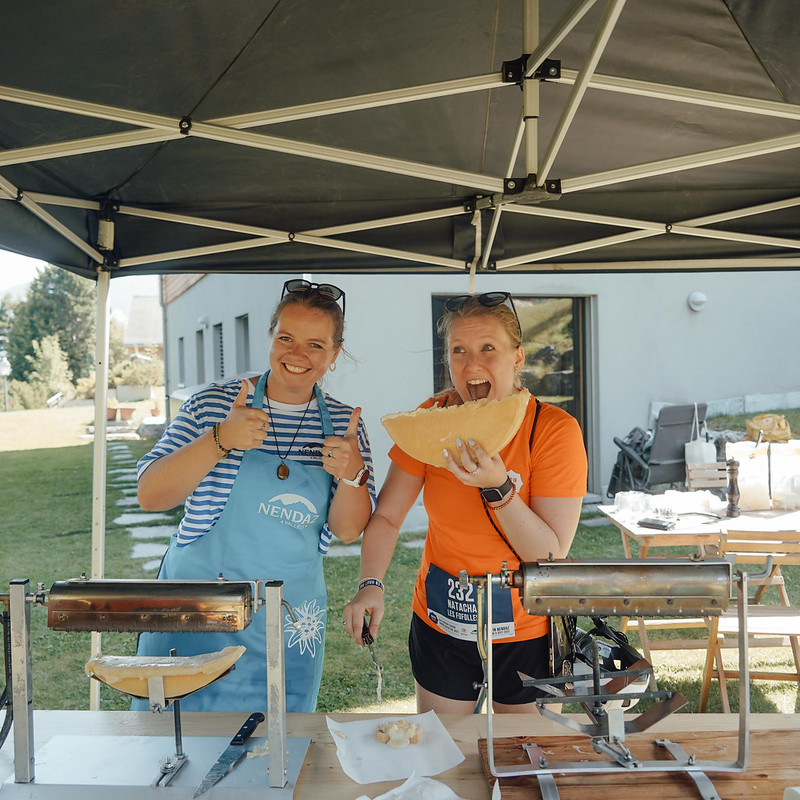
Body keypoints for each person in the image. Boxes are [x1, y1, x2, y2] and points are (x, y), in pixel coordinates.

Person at [134, 279, 375, 713]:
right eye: (286, 337)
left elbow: (346, 529)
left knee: (277, 748)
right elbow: (150, 495)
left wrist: (354, 474)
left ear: (335, 354)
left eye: (315, 345)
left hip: (285, 619)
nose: (297, 355)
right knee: (172, 740)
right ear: (270, 337)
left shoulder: (344, 424)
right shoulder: (214, 404)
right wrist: (221, 438)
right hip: (195, 608)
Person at [343, 291, 587, 713]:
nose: (471, 365)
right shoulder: (432, 418)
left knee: (523, 759)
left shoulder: (553, 430)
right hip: (441, 619)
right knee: (444, 754)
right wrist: (371, 584)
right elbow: (386, 516)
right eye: (458, 351)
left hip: (527, 627)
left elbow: (550, 554)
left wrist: (498, 488)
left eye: (488, 348)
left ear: (518, 357)